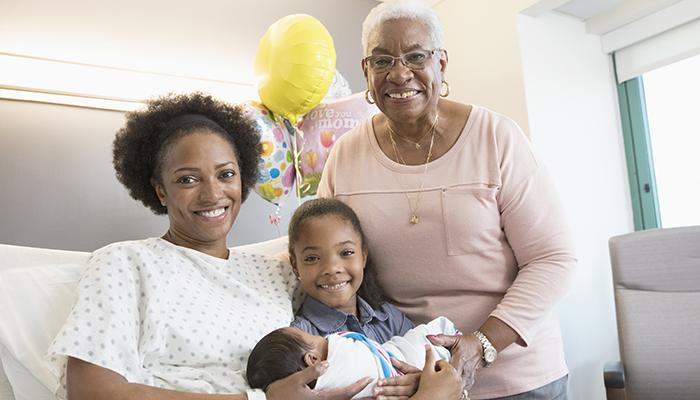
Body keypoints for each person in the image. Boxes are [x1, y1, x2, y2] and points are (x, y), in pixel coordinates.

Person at [43, 91, 461, 400]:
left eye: (226, 174)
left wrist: (410, 374)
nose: (212, 194)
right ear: (160, 190)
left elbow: (348, 324)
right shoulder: (124, 263)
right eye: (188, 179)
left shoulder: (277, 271)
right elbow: (93, 391)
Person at [317, 0, 577, 399]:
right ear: (367, 72)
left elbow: (553, 258)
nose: (400, 73)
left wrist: (481, 345)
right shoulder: (346, 155)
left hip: (516, 378)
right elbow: (318, 248)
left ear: (442, 63)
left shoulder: (497, 138)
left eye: (417, 56)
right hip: (408, 380)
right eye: (383, 60)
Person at [286, 197, 415, 343]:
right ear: (295, 266)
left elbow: (425, 357)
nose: (333, 269)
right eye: (312, 258)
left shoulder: (390, 318)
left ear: (363, 256)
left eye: (346, 253)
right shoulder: (300, 340)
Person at [247, 317, 459, 398]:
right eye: (314, 337)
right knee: (422, 340)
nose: (326, 339)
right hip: (409, 365)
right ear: (312, 360)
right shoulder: (339, 354)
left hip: (396, 363)